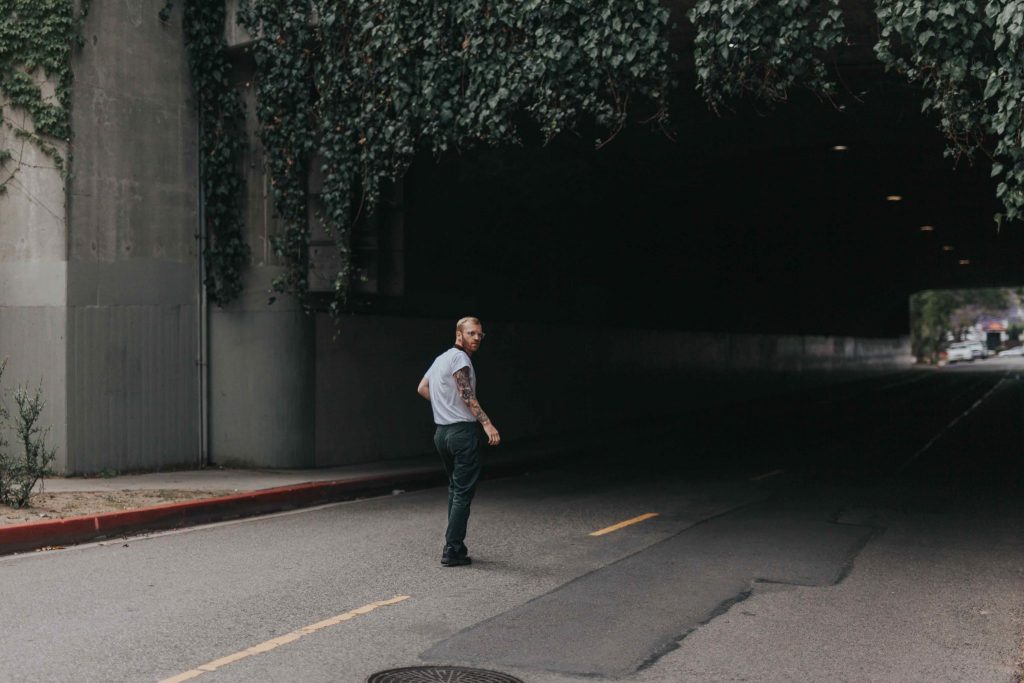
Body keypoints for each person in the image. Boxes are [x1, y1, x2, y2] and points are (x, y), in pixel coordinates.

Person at [417, 316, 500, 567]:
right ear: (459, 334)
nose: (476, 338)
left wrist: (444, 406)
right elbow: (466, 392)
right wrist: (486, 423)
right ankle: (452, 549)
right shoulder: (460, 358)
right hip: (462, 433)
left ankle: (456, 546)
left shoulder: (440, 359)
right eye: (471, 333)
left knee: (455, 489)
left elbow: (422, 387)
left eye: (480, 335)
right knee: (463, 492)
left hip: (441, 434)